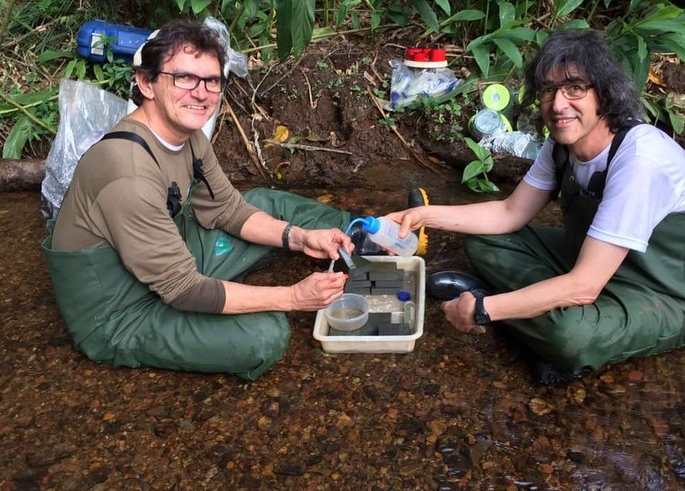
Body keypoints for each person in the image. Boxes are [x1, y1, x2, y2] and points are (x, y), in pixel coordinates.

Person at [42, 19, 428, 380]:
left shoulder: (188, 136)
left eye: (211, 81)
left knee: (266, 203)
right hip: (122, 311)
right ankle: (225, 300)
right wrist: (293, 297)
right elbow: (183, 289)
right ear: (146, 83)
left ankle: (359, 234)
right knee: (265, 335)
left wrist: (301, 237)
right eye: (184, 78)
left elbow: (226, 207)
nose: (201, 92)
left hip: (170, 255)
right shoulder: (126, 173)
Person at [390, 29, 685, 384]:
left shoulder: (640, 159)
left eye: (575, 88)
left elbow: (584, 287)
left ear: (604, 95)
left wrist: (484, 310)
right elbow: (508, 214)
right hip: (595, 264)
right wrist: (423, 216)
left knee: (570, 337)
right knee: (483, 240)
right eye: (548, 90)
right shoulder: (563, 145)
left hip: (664, 298)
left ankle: (524, 317)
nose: (558, 104)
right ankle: (531, 315)